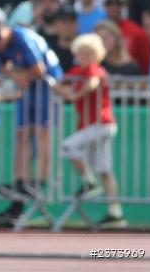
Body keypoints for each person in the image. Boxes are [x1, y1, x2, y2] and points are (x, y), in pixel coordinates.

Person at [0, 20, 63, 224]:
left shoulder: (22, 38)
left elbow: (39, 70)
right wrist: (17, 75)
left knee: (42, 132)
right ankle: (20, 184)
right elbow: (5, 69)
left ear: (2, 35)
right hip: (29, 90)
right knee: (22, 135)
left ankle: (39, 182)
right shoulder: (3, 45)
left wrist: (18, 75)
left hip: (46, 87)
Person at [51, 33, 126, 228]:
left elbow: (91, 84)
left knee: (68, 146)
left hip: (100, 123)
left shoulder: (95, 70)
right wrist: (66, 91)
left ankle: (89, 181)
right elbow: (58, 84)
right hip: (91, 124)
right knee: (105, 169)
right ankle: (115, 212)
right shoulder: (77, 71)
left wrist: (73, 94)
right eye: (82, 52)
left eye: (89, 52)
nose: (85, 55)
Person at [100, 0, 150, 74]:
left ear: (124, 6)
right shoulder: (98, 30)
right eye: (109, 3)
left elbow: (145, 63)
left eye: (118, 3)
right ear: (104, 6)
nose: (113, 7)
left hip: (130, 81)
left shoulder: (137, 32)